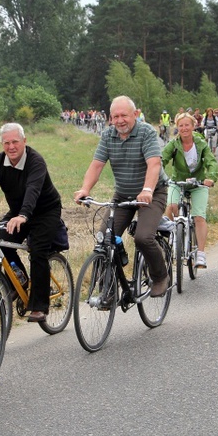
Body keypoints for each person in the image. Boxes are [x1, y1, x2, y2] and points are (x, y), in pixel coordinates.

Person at [74, 95, 169, 297]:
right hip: (123, 195)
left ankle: (160, 276)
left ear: (135, 114)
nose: (119, 120)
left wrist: (147, 190)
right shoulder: (108, 136)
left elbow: (154, 164)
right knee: (104, 239)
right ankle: (107, 291)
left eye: (124, 115)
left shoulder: (146, 132)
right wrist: (85, 189)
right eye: (115, 116)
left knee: (143, 238)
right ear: (110, 118)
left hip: (152, 193)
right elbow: (97, 165)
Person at [0, 123, 62, 323]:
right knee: (1, 241)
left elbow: (33, 189)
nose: (11, 147)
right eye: (6, 143)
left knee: (37, 249)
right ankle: (19, 282)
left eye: (15, 141)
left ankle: (39, 305)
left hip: (45, 211)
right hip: (18, 212)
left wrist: (24, 215)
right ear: (2, 144)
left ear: (24, 141)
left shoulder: (35, 161)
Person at [161, 112, 218, 268]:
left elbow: (211, 161)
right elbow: (162, 159)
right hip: (177, 182)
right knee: (171, 207)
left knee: (199, 217)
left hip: (198, 184)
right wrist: (157, 175)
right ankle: (174, 234)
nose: (184, 128)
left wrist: (211, 178)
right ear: (177, 127)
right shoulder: (173, 144)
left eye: (187, 125)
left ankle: (200, 254)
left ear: (193, 126)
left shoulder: (201, 144)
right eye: (181, 125)